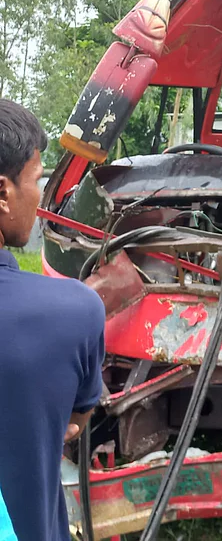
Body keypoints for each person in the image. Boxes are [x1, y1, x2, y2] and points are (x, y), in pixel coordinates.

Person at [0, 100, 106, 541]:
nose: (40, 194)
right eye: (38, 179)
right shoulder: (75, 311)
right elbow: (75, 420)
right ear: (4, 194)